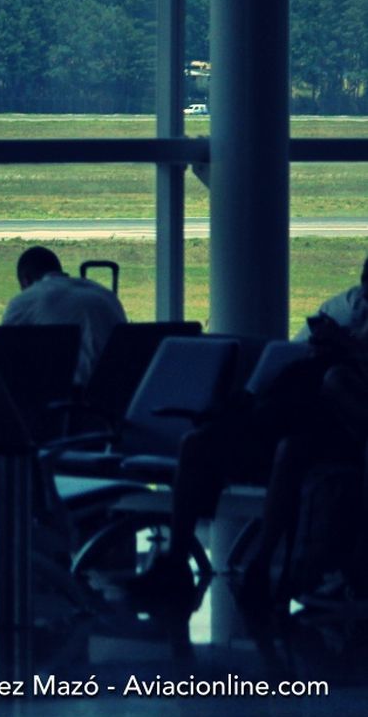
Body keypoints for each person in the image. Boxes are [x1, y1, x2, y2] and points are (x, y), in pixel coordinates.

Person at [127, 255, 368, 616]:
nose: (363, 299)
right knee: (197, 443)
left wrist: (347, 350)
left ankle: (262, 566)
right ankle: (176, 563)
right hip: (291, 416)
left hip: (335, 430)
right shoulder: (348, 306)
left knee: (291, 451)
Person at [1, 245, 127, 385]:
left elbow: (2, 359)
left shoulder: (28, 299)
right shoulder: (104, 293)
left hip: (75, 393)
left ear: (26, 280)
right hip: (121, 388)